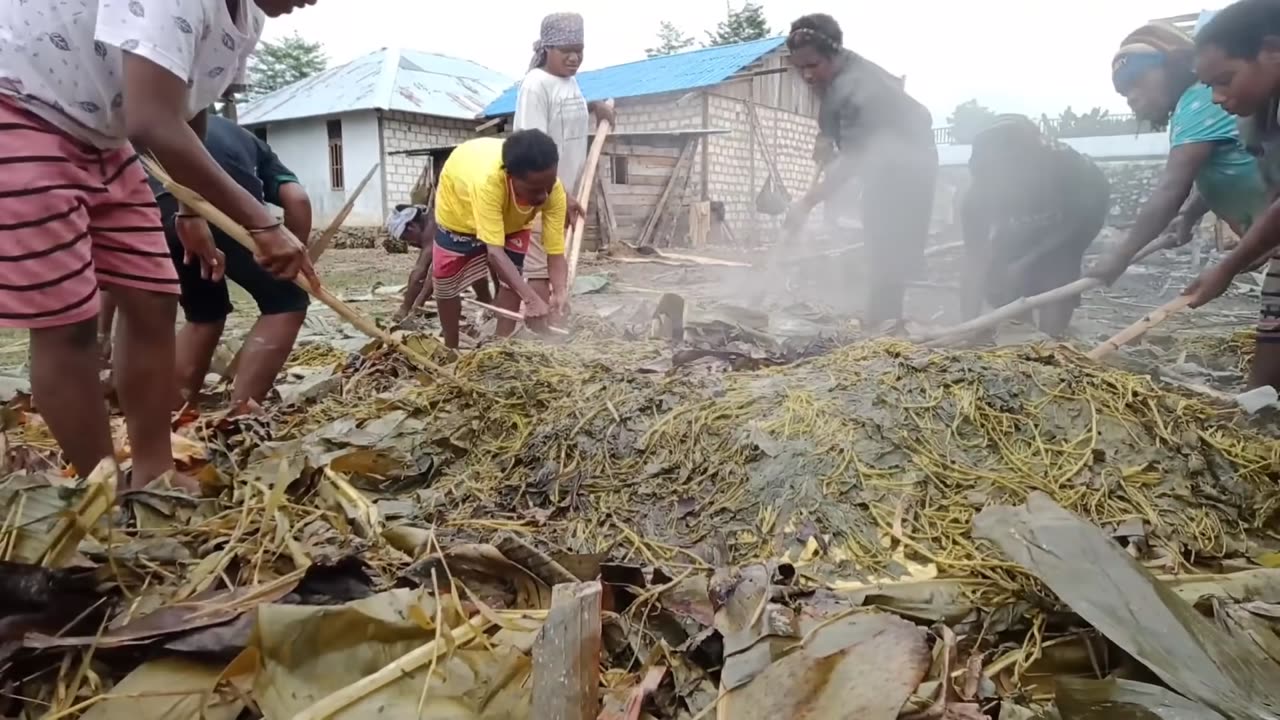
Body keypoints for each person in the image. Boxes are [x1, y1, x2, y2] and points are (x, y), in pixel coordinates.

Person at [0, 0, 318, 491]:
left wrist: (189, 209)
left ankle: (153, 472)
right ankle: (102, 491)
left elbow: (188, 104)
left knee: (152, 296)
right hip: (22, 109)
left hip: (104, 140)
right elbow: (151, 122)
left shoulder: (245, 17)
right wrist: (259, 222)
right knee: (69, 324)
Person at [782, 13, 938, 328]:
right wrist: (825, 137)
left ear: (833, 54)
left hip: (909, 167)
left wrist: (806, 202)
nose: (807, 76)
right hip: (884, 162)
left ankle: (885, 327)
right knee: (877, 236)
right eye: (800, 68)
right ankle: (880, 316)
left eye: (813, 65)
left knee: (888, 242)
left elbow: (855, 161)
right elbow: (834, 120)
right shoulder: (837, 76)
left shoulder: (860, 87)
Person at [1089, 21, 1268, 287]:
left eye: (1137, 81)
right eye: (1124, 93)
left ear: (1172, 67)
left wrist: (1120, 254)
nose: (1132, 98)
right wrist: (1190, 214)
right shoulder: (1198, 105)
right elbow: (1230, 163)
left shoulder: (1199, 101)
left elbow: (1171, 188)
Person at [1180, 0, 1280, 388]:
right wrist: (1261, 242)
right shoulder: (1259, 116)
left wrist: (1229, 266)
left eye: (1226, 79)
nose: (1218, 98)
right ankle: (1260, 398)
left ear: (1272, 51)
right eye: (1210, 87)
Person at [962, 116, 1111, 337]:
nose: (1001, 182)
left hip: (1067, 230)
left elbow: (1081, 223)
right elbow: (974, 260)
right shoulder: (978, 195)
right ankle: (1022, 338)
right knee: (1004, 281)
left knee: (1056, 275)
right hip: (1016, 235)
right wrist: (968, 324)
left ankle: (1053, 339)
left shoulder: (1072, 170)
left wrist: (1024, 264)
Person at [513, 11, 615, 333]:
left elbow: (566, 113)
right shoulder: (535, 85)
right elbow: (531, 151)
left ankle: (552, 317)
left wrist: (594, 106)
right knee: (542, 264)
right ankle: (541, 334)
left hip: (562, 192)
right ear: (547, 50)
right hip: (540, 193)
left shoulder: (569, 81)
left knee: (557, 257)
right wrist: (562, 194)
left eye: (579, 50)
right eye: (566, 50)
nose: (574, 58)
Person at [431, 131, 567, 349]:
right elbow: (494, 253)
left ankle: (499, 345)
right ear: (510, 177)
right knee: (446, 287)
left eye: (549, 185)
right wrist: (531, 300)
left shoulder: (554, 190)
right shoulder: (488, 183)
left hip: (513, 220)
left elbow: (555, 251)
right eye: (534, 190)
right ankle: (451, 348)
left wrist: (560, 292)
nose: (543, 196)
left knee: (511, 279)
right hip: (459, 215)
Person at [388, 199, 495, 324]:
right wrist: (418, 304)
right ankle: (489, 307)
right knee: (472, 270)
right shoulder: (431, 218)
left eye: (406, 239)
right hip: (473, 243)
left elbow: (420, 273)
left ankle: (491, 309)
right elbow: (434, 271)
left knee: (448, 285)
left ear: (411, 227)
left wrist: (404, 308)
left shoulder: (431, 228)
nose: (410, 244)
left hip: (485, 237)